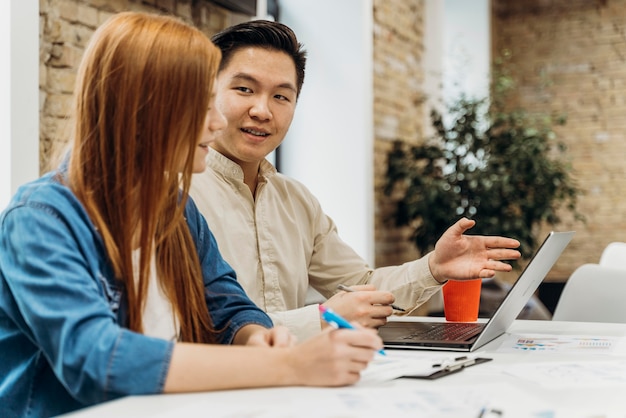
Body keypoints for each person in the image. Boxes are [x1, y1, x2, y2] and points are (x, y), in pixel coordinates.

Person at [0, 12, 383, 418]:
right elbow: (97, 359)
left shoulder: (176, 208)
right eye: (201, 107)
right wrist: (286, 364)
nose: (217, 123)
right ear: (143, 110)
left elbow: (227, 307)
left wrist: (256, 338)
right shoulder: (39, 219)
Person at [189, 20, 522, 341]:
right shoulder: (172, 194)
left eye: (281, 96)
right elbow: (189, 329)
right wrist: (319, 320)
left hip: (293, 382)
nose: (262, 110)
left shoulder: (295, 200)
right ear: (207, 94)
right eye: (244, 89)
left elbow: (359, 284)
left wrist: (434, 266)